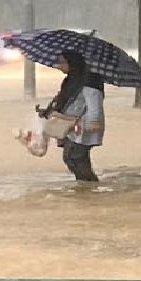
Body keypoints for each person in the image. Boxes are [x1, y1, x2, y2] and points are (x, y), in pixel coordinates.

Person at [41, 50, 105, 182]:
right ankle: (85, 188)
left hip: (85, 125)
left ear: (73, 63)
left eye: (62, 62)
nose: (59, 66)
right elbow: (66, 102)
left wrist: (93, 121)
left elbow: (94, 104)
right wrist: (49, 112)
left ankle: (89, 186)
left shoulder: (90, 82)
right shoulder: (71, 80)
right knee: (71, 157)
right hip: (71, 125)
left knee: (75, 156)